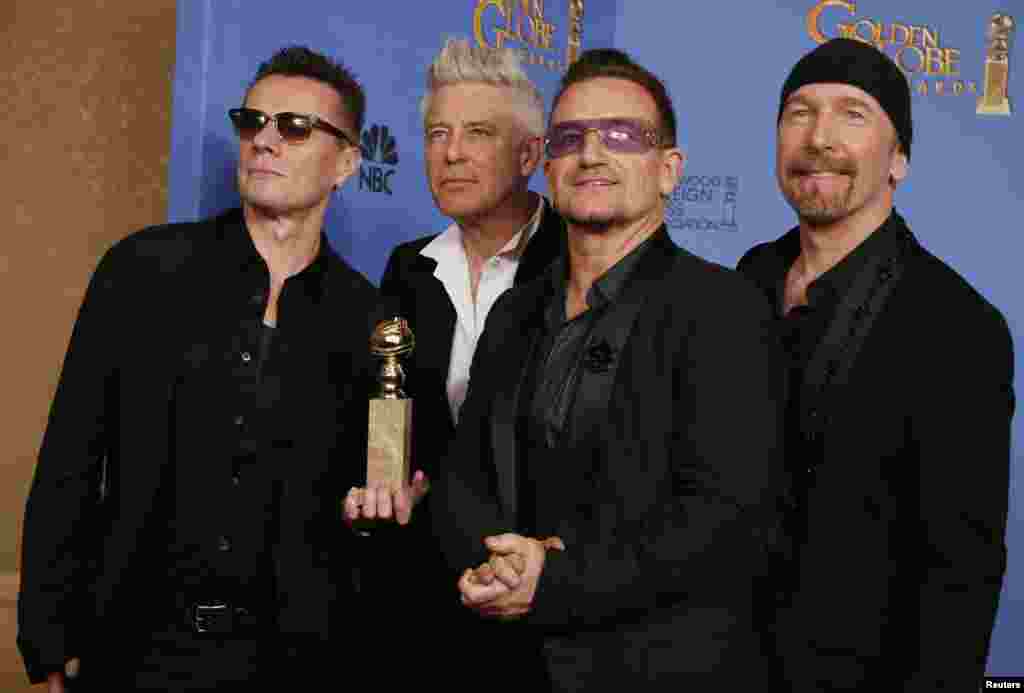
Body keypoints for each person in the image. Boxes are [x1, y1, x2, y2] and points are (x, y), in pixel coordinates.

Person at [18, 45, 384, 691]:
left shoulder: (372, 320)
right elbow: (71, 457)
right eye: (253, 122)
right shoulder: (143, 270)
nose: (265, 140)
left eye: (295, 127)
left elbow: (385, 486)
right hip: (133, 648)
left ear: (347, 162)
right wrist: (49, 631)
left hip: (294, 661)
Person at [433, 48, 787, 689]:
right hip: (505, 663)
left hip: (659, 668)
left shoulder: (725, 309)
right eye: (570, 137)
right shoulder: (514, 312)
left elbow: (724, 519)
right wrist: (492, 565)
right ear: (547, 166)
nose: (591, 154)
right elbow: (465, 477)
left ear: (668, 170)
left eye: (621, 135)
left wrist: (555, 579)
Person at [737, 37, 1015, 691]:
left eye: (852, 114)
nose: (819, 138)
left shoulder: (957, 324)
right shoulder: (745, 280)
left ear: (899, 160)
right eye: (799, 113)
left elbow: (962, 573)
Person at [346, 37, 564, 687]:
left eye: (477, 133)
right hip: (424, 595)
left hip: (541, 603)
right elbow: (392, 391)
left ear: (529, 154)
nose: (452, 153)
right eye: (438, 133)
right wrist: (387, 483)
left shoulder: (575, 262)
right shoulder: (409, 268)